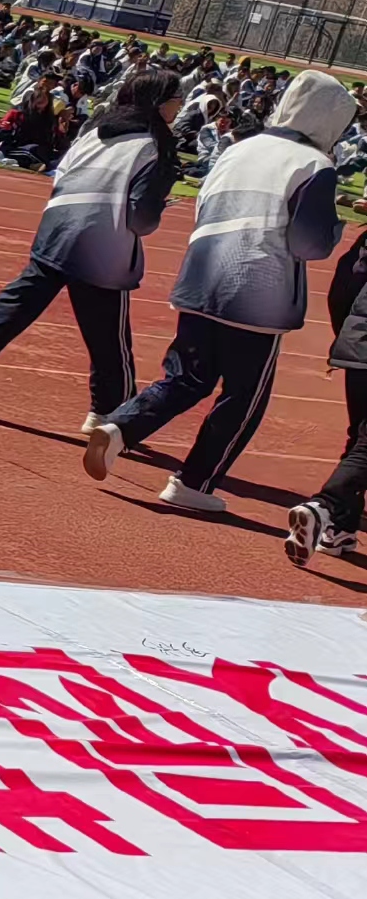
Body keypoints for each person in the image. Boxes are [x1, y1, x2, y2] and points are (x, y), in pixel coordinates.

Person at [85, 70, 357, 513]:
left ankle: (120, 426)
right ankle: (194, 481)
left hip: (201, 276)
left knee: (185, 377)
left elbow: (206, 202)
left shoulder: (239, 148)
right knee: (244, 396)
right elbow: (309, 243)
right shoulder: (315, 166)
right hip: (258, 292)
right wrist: (334, 226)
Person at [0, 75, 183, 431]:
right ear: (159, 103)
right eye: (176, 98)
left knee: (12, 310)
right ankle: (109, 411)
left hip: (56, 228)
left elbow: (61, 173)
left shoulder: (95, 130)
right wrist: (155, 211)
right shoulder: (156, 145)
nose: (181, 105)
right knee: (109, 334)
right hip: (102, 245)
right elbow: (140, 217)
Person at [291, 226, 367, 565]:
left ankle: (339, 529)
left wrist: (348, 339)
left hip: (359, 345)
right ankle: (324, 506)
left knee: (360, 439)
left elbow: (343, 289)